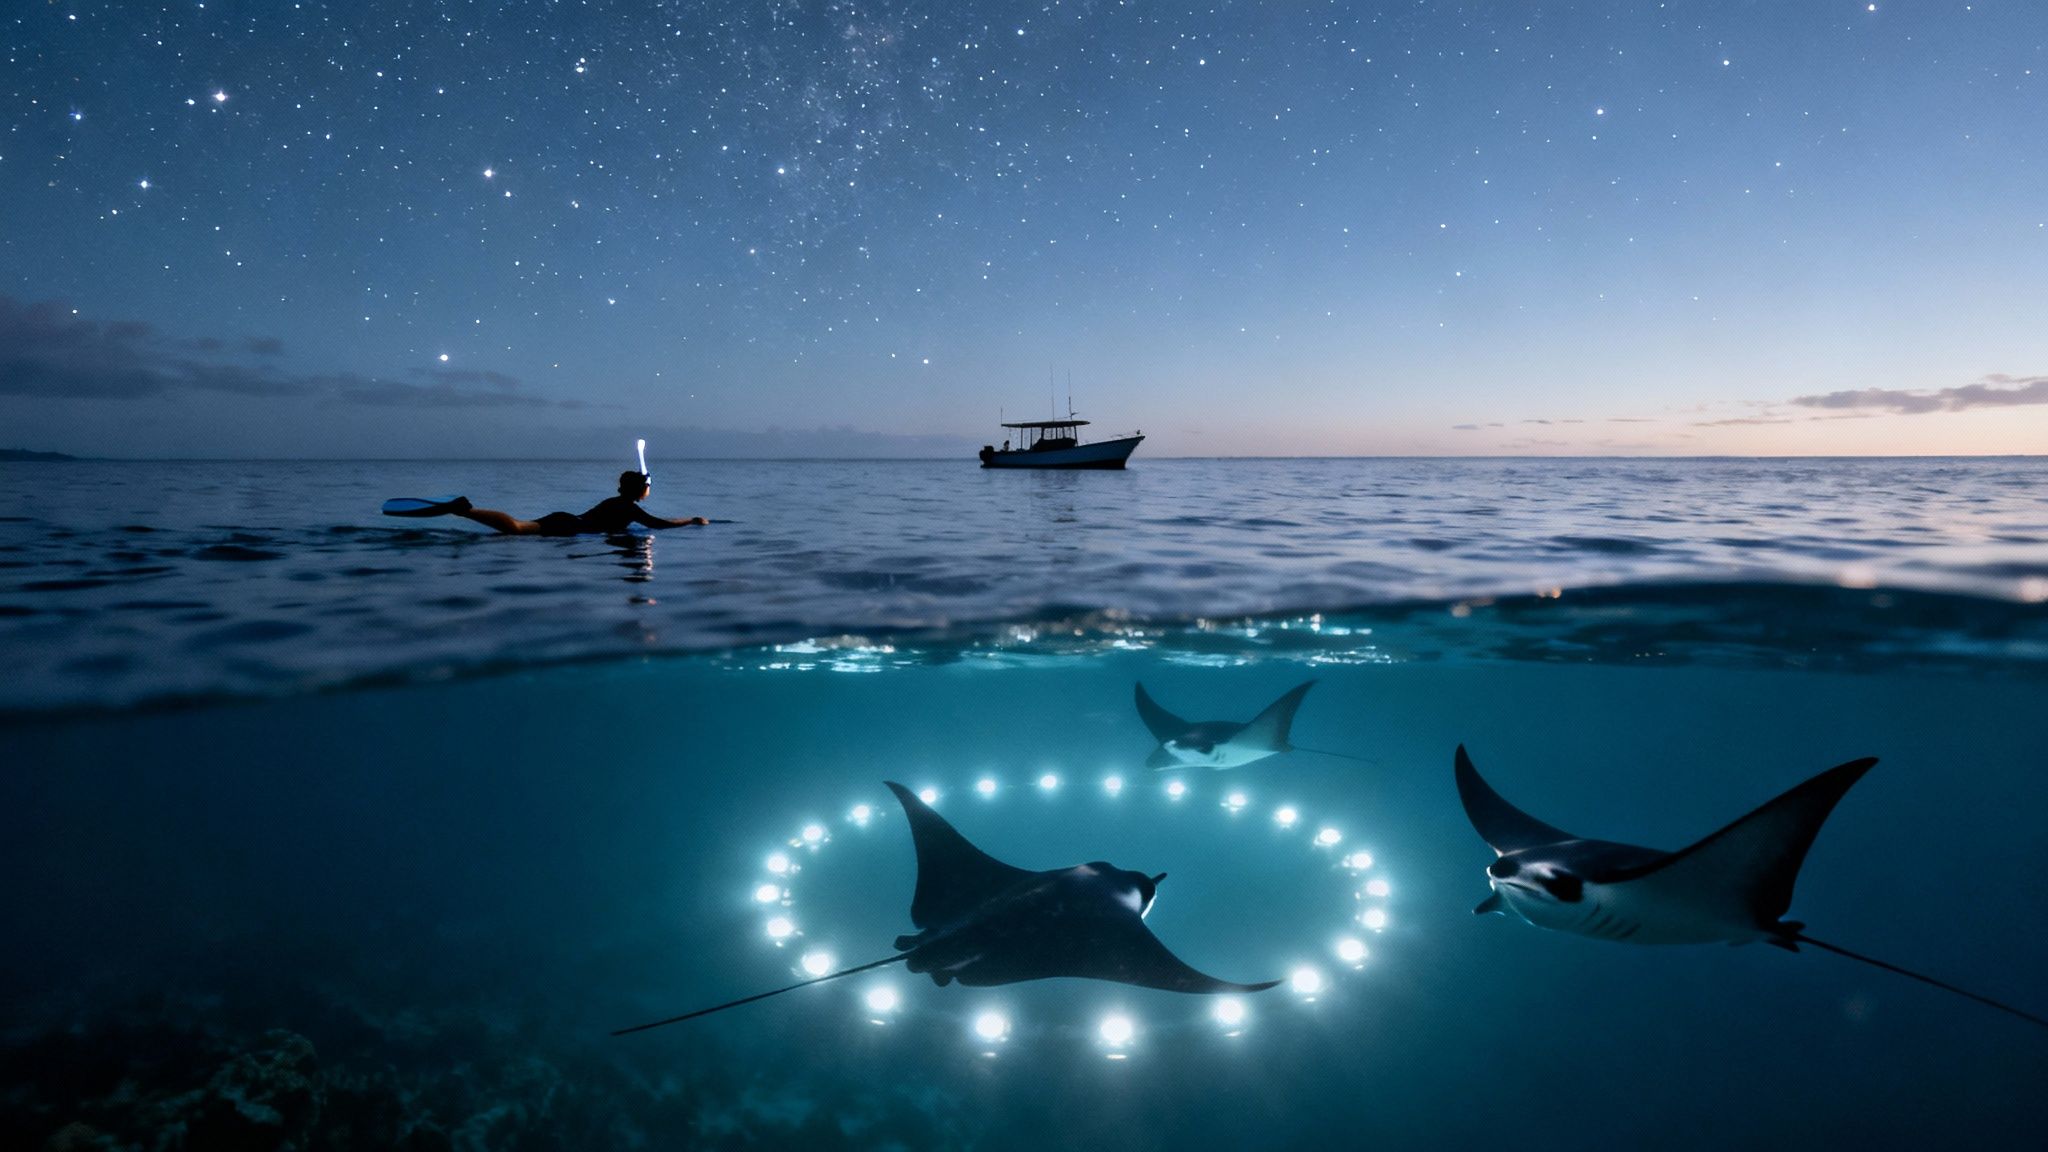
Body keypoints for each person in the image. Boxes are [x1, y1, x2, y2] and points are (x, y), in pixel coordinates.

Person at [447, 471, 709, 536]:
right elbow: (659, 525)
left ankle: (467, 512)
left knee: (517, 527)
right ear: (640, 490)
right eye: (647, 488)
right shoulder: (628, 507)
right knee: (516, 529)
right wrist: (692, 520)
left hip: (567, 521)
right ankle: (466, 511)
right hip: (569, 527)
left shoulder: (615, 502)